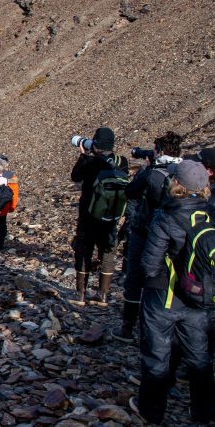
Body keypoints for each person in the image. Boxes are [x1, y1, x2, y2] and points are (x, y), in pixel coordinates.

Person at [134, 160, 215, 425]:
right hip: (199, 297)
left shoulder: (167, 216)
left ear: (177, 185)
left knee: (157, 353)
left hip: (165, 295)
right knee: (199, 355)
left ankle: (151, 410)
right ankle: (203, 413)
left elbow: (149, 263)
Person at [117, 132, 183, 341]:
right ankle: (162, 328)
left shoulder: (151, 173)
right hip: (176, 234)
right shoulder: (186, 172)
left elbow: (131, 192)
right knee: (164, 277)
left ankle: (128, 327)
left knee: (136, 276)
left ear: (160, 151)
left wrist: (147, 169)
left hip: (146, 231)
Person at [71, 127, 129, 306]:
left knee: (84, 251)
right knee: (108, 253)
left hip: (88, 215)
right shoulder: (122, 161)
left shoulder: (91, 161)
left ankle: (81, 295)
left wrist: (84, 155)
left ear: (95, 143)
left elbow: (75, 177)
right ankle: (103, 296)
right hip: (111, 216)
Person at [0, 156, 19, 252]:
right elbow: (14, 193)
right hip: (3, 207)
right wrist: (13, 206)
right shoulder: (10, 176)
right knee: (2, 225)